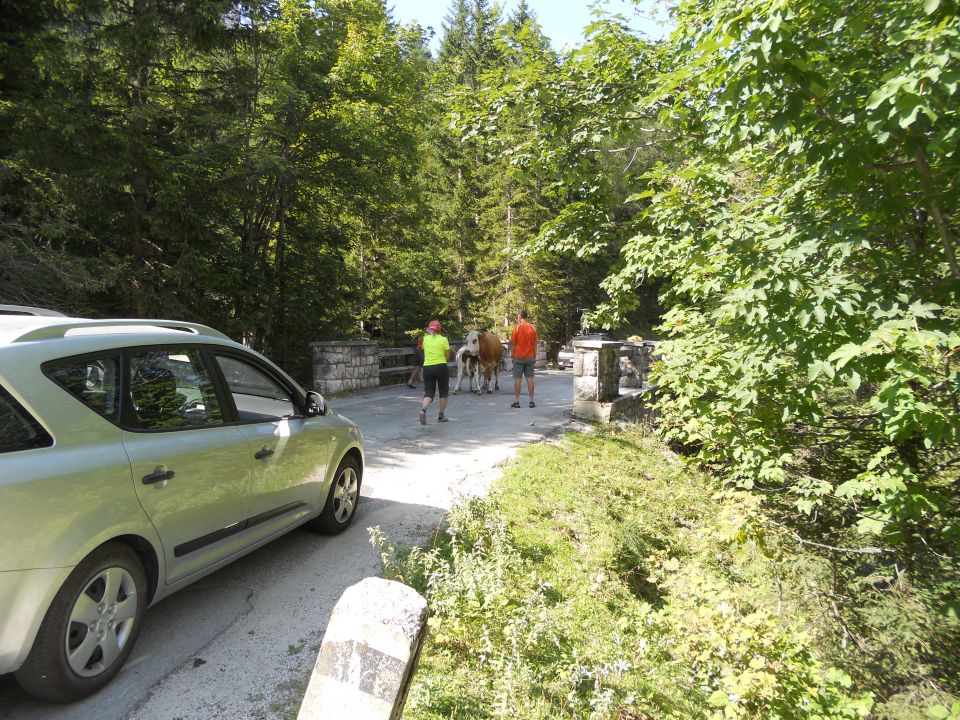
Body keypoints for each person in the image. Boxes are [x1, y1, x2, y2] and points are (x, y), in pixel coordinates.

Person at [419, 320, 451, 424]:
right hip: (441, 366)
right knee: (443, 392)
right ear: (440, 329)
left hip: (427, 367)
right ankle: (441, 416)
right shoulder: (444, 339)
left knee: (428, 392)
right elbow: (447, 357)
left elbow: (424, 350)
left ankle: (423, 409)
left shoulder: (425, 339)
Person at [510, 309, 539, 408]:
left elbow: (513, 344)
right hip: (530, 356)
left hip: (518, 357)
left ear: (519, 317)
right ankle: (531, 401)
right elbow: (535, 344)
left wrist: (512, 355)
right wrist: (535, 355)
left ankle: (517, 401)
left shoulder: (517, 328)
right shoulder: (532, 328)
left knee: (518, 379)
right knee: (530, 378)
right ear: (526, 317)